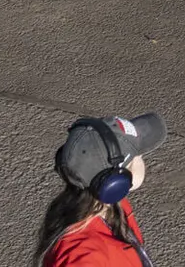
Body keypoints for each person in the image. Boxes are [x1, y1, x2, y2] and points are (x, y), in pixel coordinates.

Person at [36, 114, 163, 267]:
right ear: (116, 181)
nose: (142, 159)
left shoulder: (112, 207)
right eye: (139, 155)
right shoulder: (84, 256)